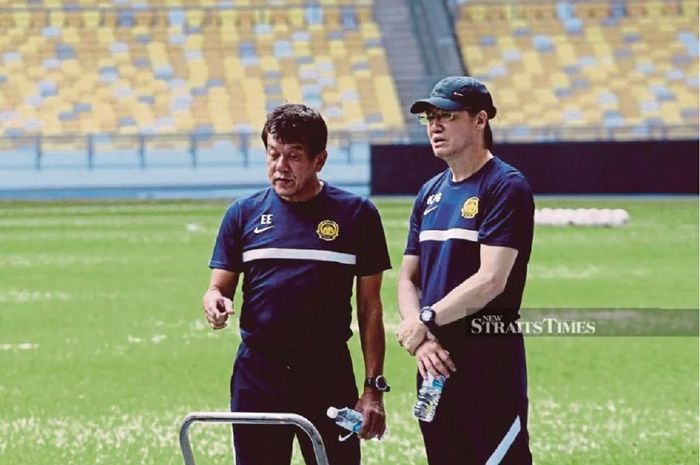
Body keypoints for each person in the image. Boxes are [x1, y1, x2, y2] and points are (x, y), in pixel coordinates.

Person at [203, 103, 391, 465]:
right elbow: (218, 288)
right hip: (257, 375)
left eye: (294, 156)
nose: (280, 167)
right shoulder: (242, 214)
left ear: (319, 160)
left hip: (328, 374)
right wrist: (215, 301)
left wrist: (373, 391)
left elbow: (370, 309)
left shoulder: (356, 215)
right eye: (273, 154)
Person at [396, 76, 534, 465]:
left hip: (486, 362)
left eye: (447, 116)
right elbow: (408, 278)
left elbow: (492, 279)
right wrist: (421, 340)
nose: (435, 126)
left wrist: (425, 320)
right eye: (430, 118)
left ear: (480, 120)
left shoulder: (505, 186)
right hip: (432, 364)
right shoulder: (429, 192)